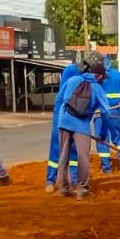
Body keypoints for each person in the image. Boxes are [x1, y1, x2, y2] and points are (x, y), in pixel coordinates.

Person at [54, 60, 112, 199]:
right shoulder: (97, 88)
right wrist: (102, 133)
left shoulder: (72, 80)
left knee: (63, 155)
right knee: (83, 157)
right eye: (103, 78)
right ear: (98, 76)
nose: (103, 80)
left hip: (64, 121)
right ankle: (82, 190)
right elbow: (106, 113)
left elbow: (60, 100)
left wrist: (60, 121)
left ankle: (63, 188)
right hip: (81, 125)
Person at [46, 57, 89, 192]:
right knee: (58, 146)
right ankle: (51, 180)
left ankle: (73, 181)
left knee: (73, 149)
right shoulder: (73, 72)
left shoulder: (77, 72)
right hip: (65, 111)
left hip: (71, 111)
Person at [95, 57, 120, 172]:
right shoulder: (118, 75)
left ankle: (106, 167)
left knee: (102, 140)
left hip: (100, 112)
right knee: (118, 137)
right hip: (116, 110)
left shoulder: (97, 75)